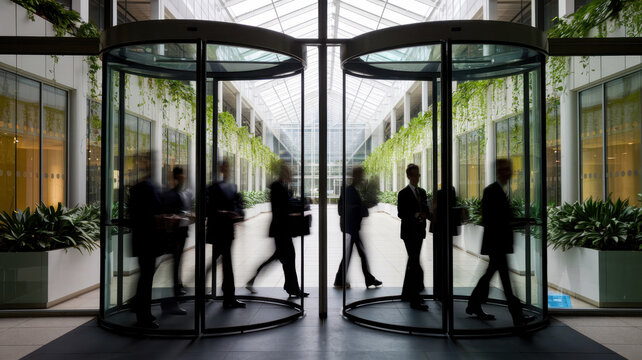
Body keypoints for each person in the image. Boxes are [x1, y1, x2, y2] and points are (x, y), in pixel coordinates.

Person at [466, 159, 536, 326]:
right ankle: (517, 316)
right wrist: (519, 222)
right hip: (497, 243)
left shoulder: (499, 190)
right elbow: (493, 219)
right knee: (506, 281)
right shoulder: (492, 190)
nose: (508, 172)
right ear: (498, 172)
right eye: (505, 169)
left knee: (491, 275)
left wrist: (522, 221)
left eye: (509, 169)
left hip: (497, 243)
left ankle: (473, 304)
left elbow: (502, 218)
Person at [246, 162, 308, 298]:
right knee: (287, 257)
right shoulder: (277, 186)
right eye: (289, 172)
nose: (291, 174)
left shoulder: (282, 186)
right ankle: (292, 288)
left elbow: (286, 205)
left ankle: (291, 287)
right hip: (280, 229)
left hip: (283, 229)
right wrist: (294, 211)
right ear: (284, 173)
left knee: (285, 258)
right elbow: (281, 208)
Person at [129, 154, 163, 328]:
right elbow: (150, 213)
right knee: (146, 276)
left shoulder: (139, 187)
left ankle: (141, 309)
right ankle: (143, 315)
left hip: (143, 239)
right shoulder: (146, 187)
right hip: (148, 239)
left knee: (146, 275)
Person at [333, 166, 382, 288]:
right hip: (351, 228)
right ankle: (340, 280)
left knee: (357, 253)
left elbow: (343, 208)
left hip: (351, 228)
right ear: (355, 176)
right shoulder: (350, 190)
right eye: (361, 175)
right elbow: (347, 209)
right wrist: (363, 206)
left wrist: (363, 206)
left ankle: (367, 278)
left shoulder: (351, 190)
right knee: (353, 254)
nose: (362, 177)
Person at [206, 159, 246, 308]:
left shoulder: (232, 187)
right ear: (220, 168)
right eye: (225, 166)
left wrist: (237, 214)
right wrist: (225, 213)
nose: (228, 169)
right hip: (218, 229)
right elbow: (208, 209)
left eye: (229, 166)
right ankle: (228, 296)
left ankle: (228, 295)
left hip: (227, 230)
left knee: (224, 261)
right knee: (225, 262)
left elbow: (239, 207)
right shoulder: (213, 187)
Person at [397, 163, 429, 311]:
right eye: (415, 175)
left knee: (413, 262)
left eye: (418, 174)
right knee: (414, 263)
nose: (417, 177)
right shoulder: (403, 193)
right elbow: (401, 213)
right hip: (409, 232)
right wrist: (415, 214)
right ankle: (415, 298)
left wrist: (426, 214)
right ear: (408, 176)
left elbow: (427, 209)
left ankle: (407, 294)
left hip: (419, 231)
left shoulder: (422, 192)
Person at [428, 186, 462, 302]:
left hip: (439, 228)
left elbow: (433, 209)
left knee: (440, 258)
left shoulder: (439, 192)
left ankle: (439, 290)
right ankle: (445, 289)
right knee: (446, 259)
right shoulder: (452, 191)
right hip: (447, 228)